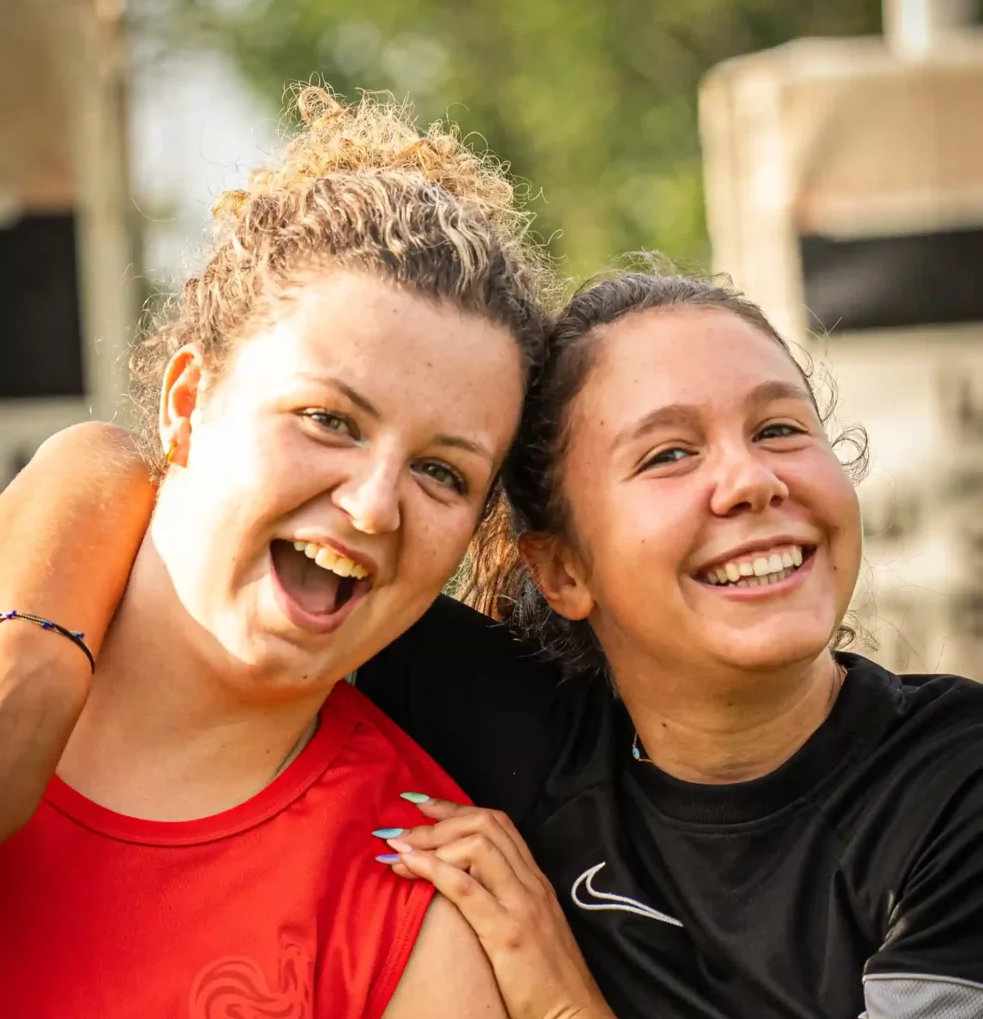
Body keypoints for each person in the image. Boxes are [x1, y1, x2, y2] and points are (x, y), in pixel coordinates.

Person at [5, 265, 983, 1019]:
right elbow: (138, 470)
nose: (749, 480)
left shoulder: (953, 785)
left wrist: (564, 1003)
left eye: (778, 428)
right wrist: (34, 665)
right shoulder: (517, 730)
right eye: (668, 453)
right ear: (560, 571)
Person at [0, 80, 579, 1019]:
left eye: (442, 473)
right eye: (327, 419)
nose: (373, 504)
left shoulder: (415, 905)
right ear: (186, 404)